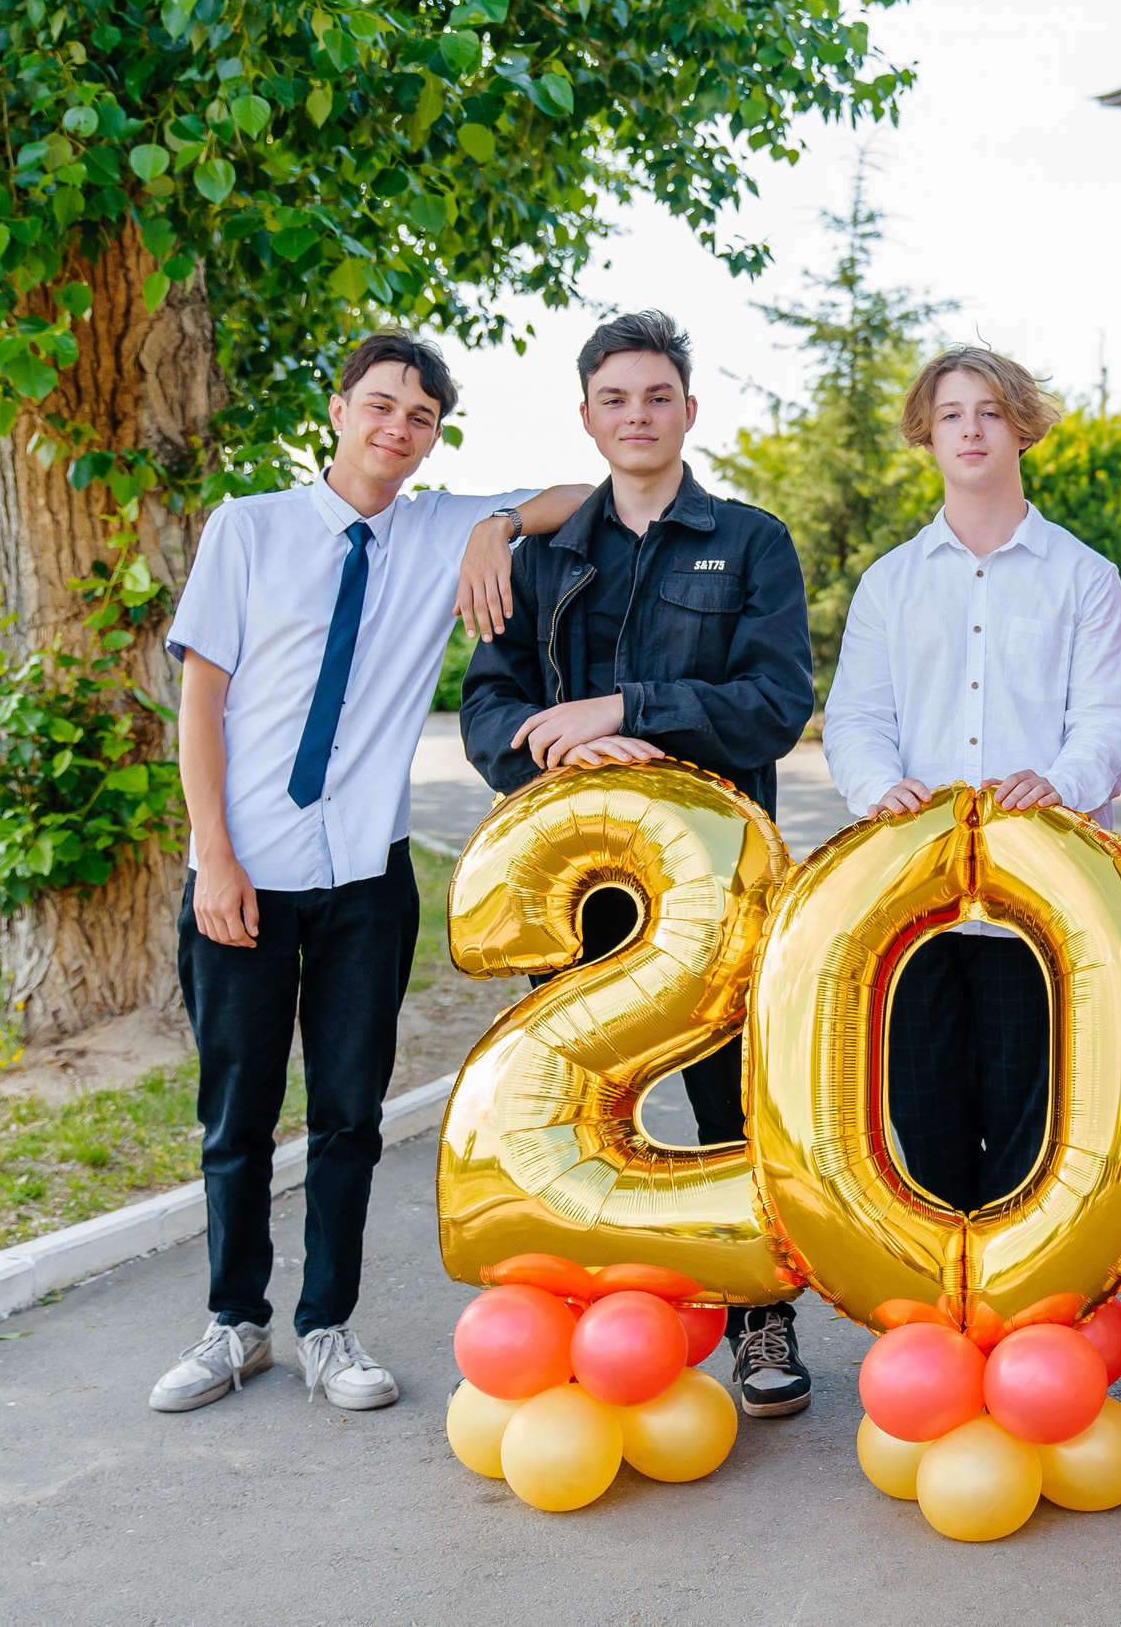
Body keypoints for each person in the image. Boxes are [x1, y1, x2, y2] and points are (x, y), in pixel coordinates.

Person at [154, 335, 592, 1414]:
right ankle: (233, 1320)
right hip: (244, 868)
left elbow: (578, 494)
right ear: (339, 408)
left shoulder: (442, 527)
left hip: (364, 879)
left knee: (349, 1113)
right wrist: (214, 852)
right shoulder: (249, 528)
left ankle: (325, 1326)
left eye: (422, 417)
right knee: (238, 1113)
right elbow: (199, 703)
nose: (398, 429)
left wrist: (492, 521)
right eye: (382, 406)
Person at [460, 311, 817, 1416]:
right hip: (576, 888)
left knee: (731, 1103)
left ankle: (761, 1319)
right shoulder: (540, 553)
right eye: (614, 398)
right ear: (586, 417)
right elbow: (488, 706)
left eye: (657, 396)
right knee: (563, 1112)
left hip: (715, 888)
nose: (637, 415)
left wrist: (629, 710)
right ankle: (570, 1311)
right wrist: (556, 742)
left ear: (689, 410)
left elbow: (775, 705)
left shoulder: (751, 540)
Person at [821, 346, 1121, 1214]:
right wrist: (875, 787)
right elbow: (856, 719)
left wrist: (1062, 782)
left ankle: (1018, 1314)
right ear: (927, 432)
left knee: (1033, 1122)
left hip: (1039, 902)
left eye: (991, 411)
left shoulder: (1085, 576)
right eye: (953, 412)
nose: (971, 428)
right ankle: (939, 1313)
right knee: (920, 1115)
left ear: (1022, 428)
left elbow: (1111, 723)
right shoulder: (889, 584)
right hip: (915, 899)